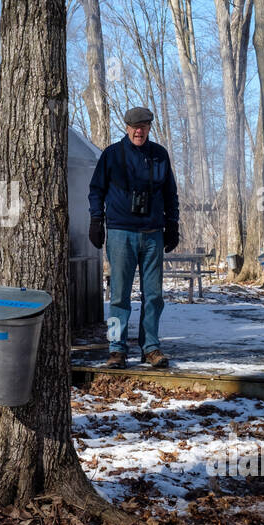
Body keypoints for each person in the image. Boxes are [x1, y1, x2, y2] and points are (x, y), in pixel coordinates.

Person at [87, 106, 180, 369]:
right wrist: (96, 220)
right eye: (134, 126)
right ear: (127, 127)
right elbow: (96, 190)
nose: (139, 131)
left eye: (144, 126)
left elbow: (170, 193)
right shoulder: (112, 155)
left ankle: (150, 347)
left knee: (153, 296)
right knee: (119, 295)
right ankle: (116, 349)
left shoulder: (159, 155)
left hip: (152, 235)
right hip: (120, 234)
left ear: (149, 127)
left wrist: (172, 224)